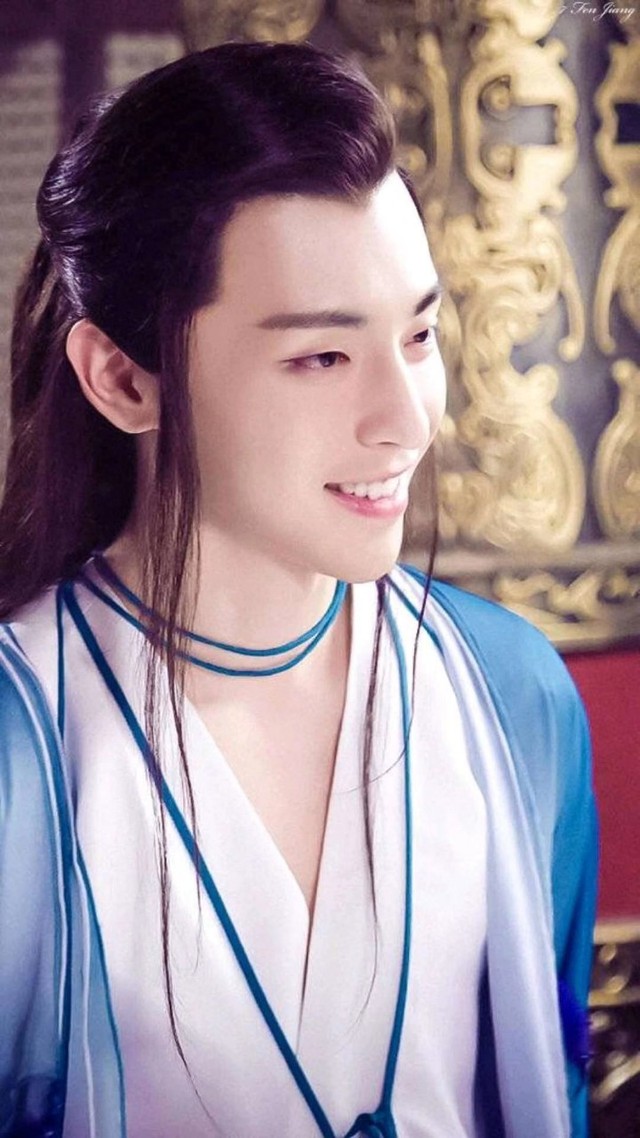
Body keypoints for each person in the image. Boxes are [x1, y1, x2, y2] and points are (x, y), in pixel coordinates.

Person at [0, 42, 597, 1138]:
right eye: (322, 357)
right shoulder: (23, 735)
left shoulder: (510, 697)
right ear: (122, 378)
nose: (407, 420)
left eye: (417, 335)